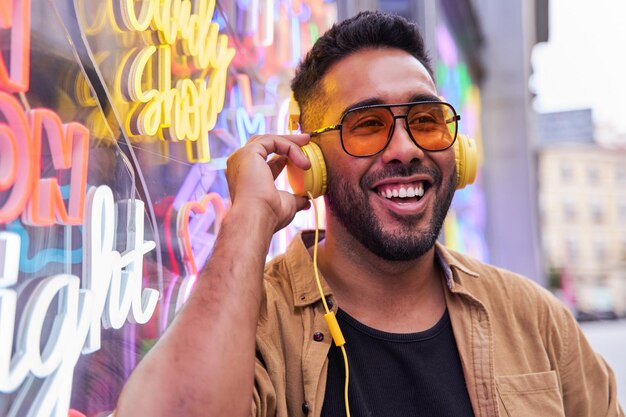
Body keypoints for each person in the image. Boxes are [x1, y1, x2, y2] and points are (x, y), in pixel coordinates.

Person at [116, 11, 624, 417]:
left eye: (425, 120)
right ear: (308, 164)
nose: (404, 148)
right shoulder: (258, 326)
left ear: (460, 153)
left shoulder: (534, 319)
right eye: (367, 125)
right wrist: (248, 217)